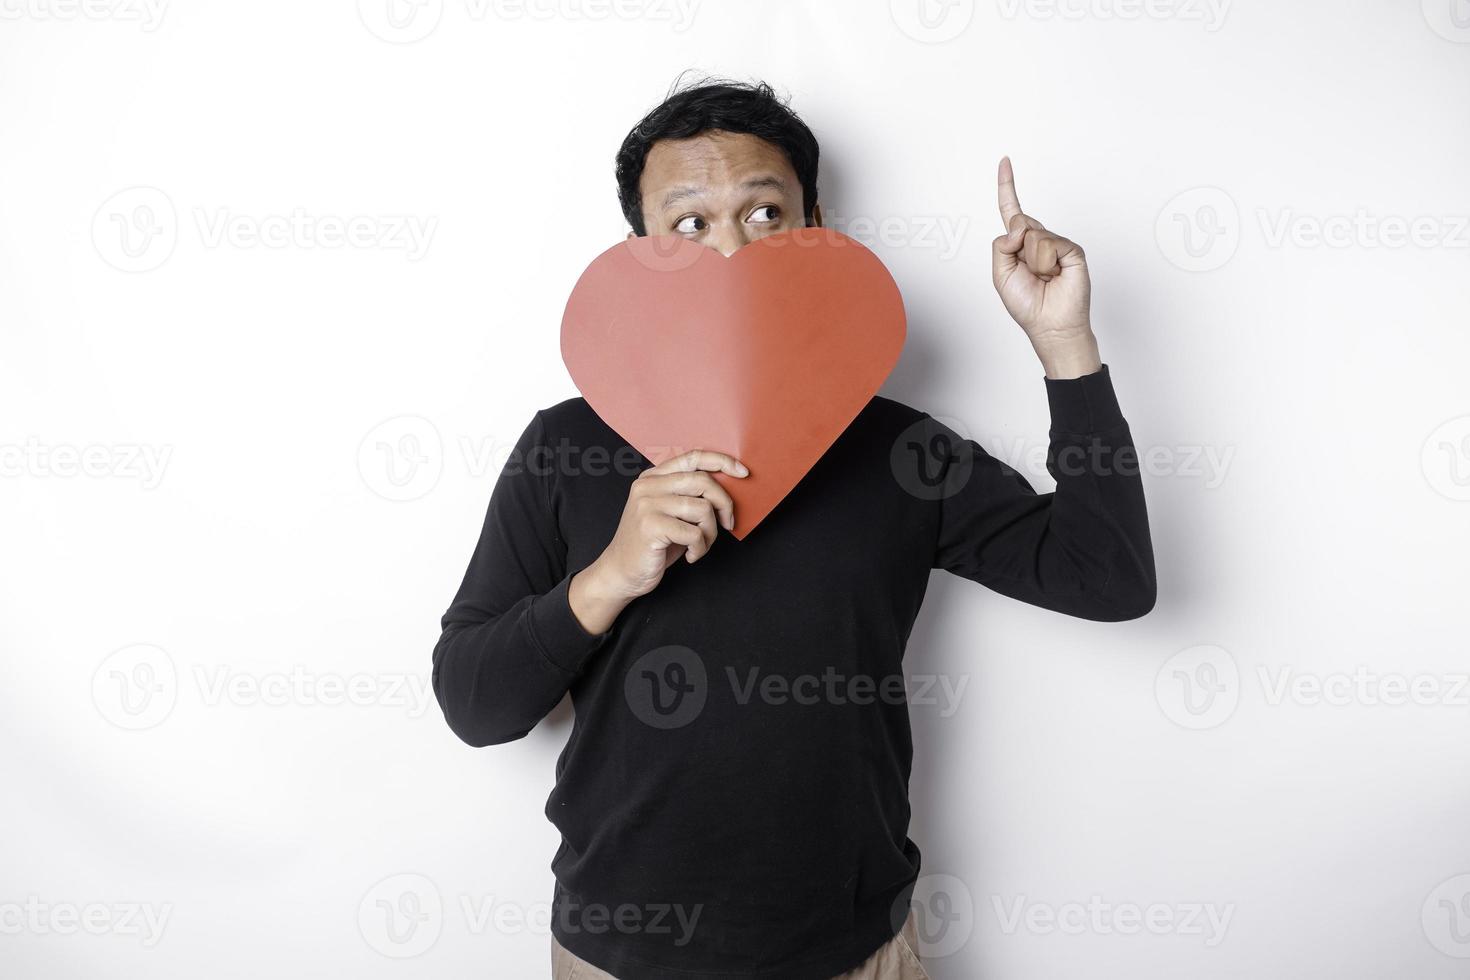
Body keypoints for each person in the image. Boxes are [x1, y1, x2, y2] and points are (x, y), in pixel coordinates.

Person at [432, 76, 1156, 980]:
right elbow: (473, 704)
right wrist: (610, 573)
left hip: (857, 951)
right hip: (619, 955)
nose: (731, 250)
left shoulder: (899, 451)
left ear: (817, 224)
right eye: (689, 223)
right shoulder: (564, 446)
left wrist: (1066, 348)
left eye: (765, 213)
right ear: (638, 253)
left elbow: (1110, 577)